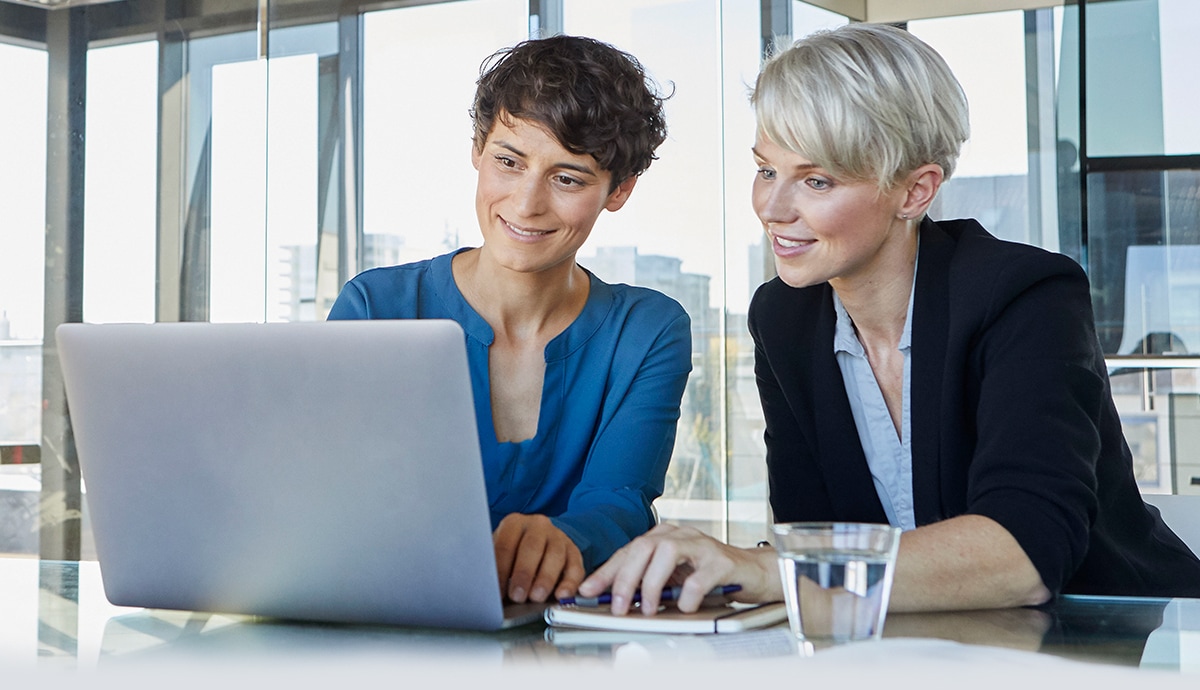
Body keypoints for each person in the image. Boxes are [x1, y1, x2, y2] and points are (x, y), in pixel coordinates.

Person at [579, 23, 1200, 616]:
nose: (772, 207)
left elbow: (1025, 556)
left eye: (816, 180)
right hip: (924, 644)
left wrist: (767, 569)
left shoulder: (1026, 295)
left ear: (915, 192)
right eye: (767, 169)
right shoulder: (784, 317)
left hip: (1122, 640)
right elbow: (813, 534)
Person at [328, 35, 691, 606]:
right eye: (508, 161)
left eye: (567, 178)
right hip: (390, 618)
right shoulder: (376, 307)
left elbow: (620, 500)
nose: (526, 204)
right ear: (478, 149)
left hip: (563, 642)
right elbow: (338, 498)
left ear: (618, 191)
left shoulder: (647, 330)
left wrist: (566, 539)